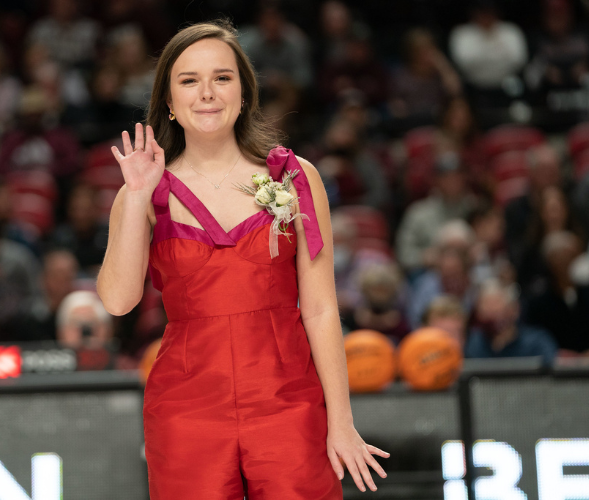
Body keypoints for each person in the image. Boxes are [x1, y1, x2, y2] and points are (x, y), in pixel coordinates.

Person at [96, 20, 388, 498]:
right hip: (187, 410)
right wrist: (134, 197)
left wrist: (342, 422)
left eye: (222, 77)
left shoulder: (295, 177)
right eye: (189, 80)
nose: (207, 93)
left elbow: (320, 308)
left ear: (244, 91)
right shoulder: (143, 190)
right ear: (169, 102)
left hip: (288, 402)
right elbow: (118, 302)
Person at [467, 279, 558, 364]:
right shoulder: (475, 343)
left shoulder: (537, 343)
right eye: (486, 311)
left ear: (514, 310)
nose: (492, 318)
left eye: (497, 311)